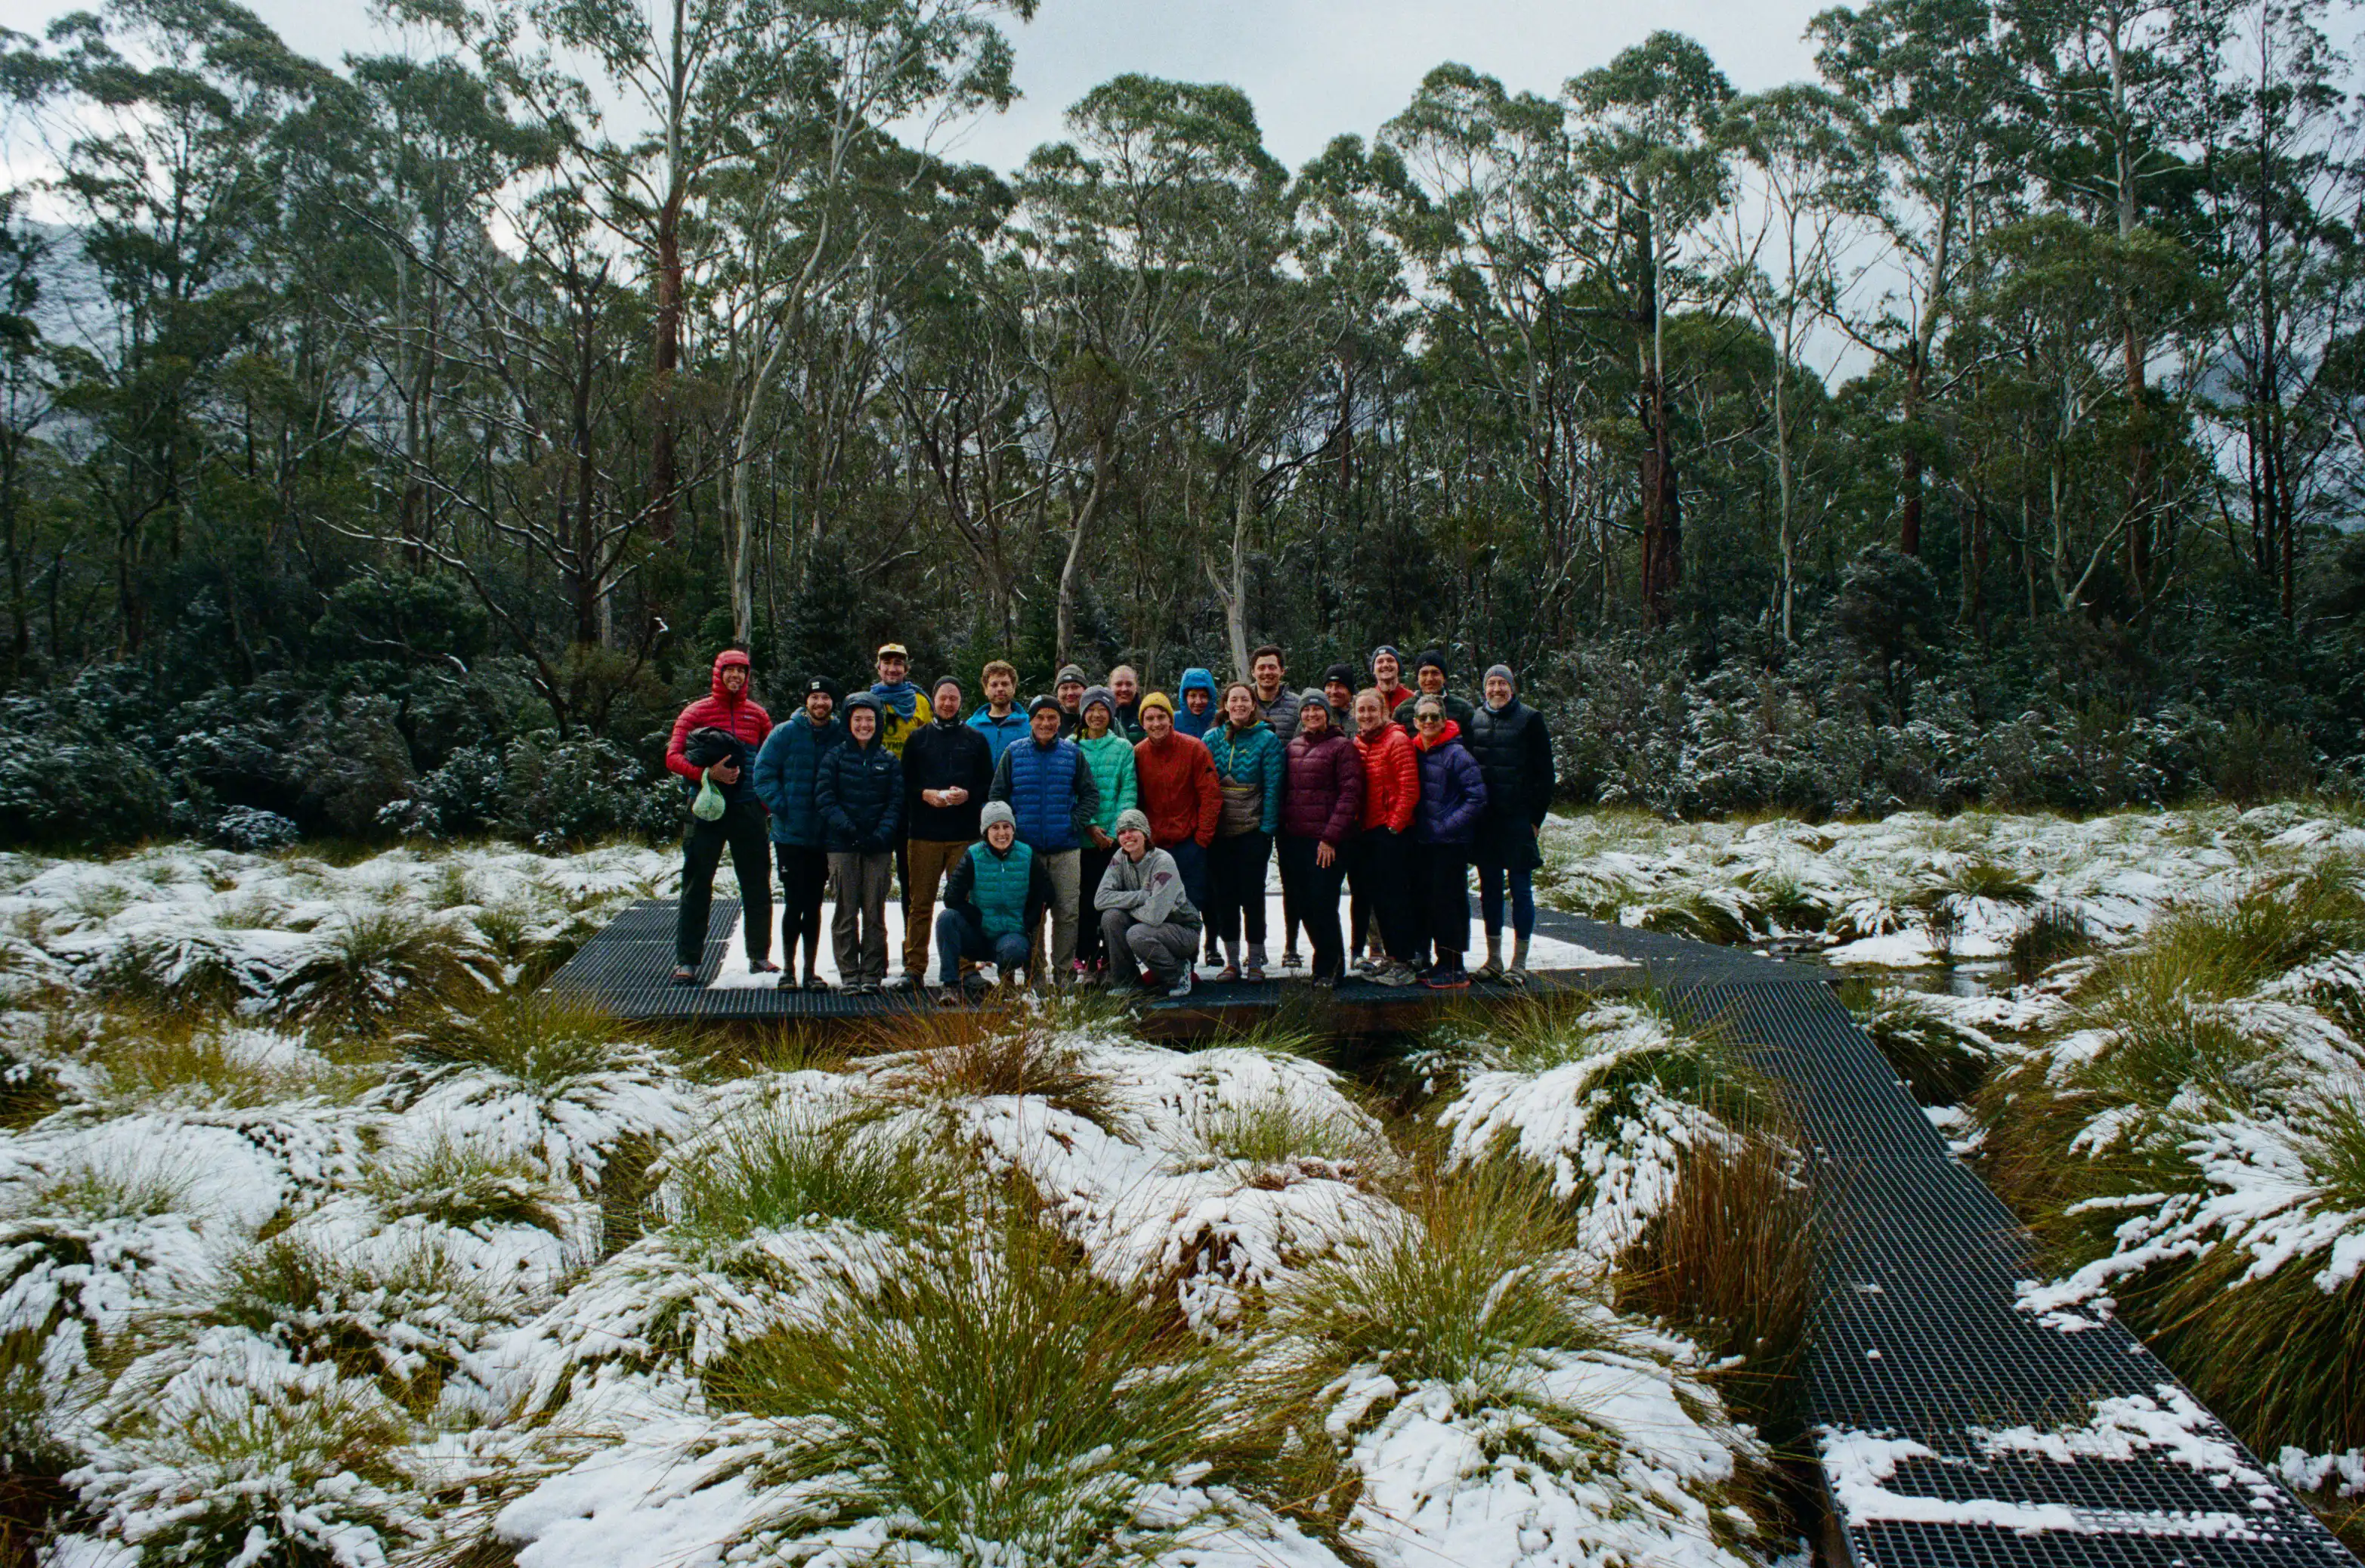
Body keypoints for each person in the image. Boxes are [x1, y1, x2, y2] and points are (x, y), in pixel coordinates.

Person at [665, 649, 775, 985]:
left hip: (748, 810)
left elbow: (772, 759)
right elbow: (672, 757)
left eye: (742, 672)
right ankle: (688, 961)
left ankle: (759, 956)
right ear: (719, 673)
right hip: (706, 809)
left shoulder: (757, 716)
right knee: (697, 884)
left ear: (747, 676)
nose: (736, 677)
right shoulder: (695, 712)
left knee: (757, 884)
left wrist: (765, 802)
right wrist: (705, 774)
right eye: (730, 671)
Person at [988, 694, 1101, 984]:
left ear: (1059, 721)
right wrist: (1010, 834)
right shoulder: (1014, 753)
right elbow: (997, 796)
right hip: (1026, 851)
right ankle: (1035, 974)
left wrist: (1073, 823)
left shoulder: (1072, 754)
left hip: (1065, 848)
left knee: (1067, 913)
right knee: (1032, 915)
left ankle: (1064, 974)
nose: (1046, 723)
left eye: (1052, 717)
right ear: (1031, 720)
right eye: (1040, 717)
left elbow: (1090, 794)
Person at [751, 676, 845, 989]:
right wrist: (782, 806)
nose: (820, 703)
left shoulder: (840, 735)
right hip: (790, 835)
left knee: (814, 904)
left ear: (833, 702)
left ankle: (810, 970)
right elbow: (763, 773)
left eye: (826, 698)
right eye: (815, 697)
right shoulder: (785, 734)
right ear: (806, 701)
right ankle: (788, 971)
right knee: (794, 903)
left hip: (823, 836)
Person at [900, 674, 994, 988]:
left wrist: (967, 795)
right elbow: (905, 785)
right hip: (924, 834)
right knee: (920, 903)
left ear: (960, 701)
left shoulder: (975, 739)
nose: (948, 703)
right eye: (943, 697)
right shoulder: (918, 739)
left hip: (964, 834)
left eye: (953, 698)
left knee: (963, 902)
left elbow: (987, 784)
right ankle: (914, 968)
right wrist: (924, 794)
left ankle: (967, 968)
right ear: (934, 700)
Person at [1467, 663, 1557, 984]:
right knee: (1489, 892)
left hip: (1518, 820)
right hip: (1486, 822)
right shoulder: (1475, 720)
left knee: (1521, 890)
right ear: (1484, 689)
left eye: (1502, 683)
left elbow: (1546, 775)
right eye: (1491, 683)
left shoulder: (1531, 719)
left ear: (1513, 688)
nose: (1496, 689)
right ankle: (1494, 960)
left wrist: (1536, 819)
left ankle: (1519, 963)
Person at [815, 694, 904, 994]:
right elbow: (825, 798)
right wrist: (849, 829)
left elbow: (896, 801)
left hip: (878, 846)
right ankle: (849, 973)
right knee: (845, 909)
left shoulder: (888, 760)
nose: (864, 725)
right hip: (842, 844)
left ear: (878, 723)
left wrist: (882, 833)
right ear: (849, 722)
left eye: (870, 719)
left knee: (874, 911)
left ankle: (872, 973)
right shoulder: (835, 757)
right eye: (858, 719)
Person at [1278, 690, 1364, 985]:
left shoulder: (1342, 747)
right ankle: (1321, 965)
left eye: (1318, 710)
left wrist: (1330, 838)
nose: (1312, 714)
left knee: (1323, 904)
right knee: (1302, 904)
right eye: (1306, 710)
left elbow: (1350, 795)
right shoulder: (1293, 747)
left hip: (1326, 843)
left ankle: (1333, 967)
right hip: (1294, 841)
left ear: (1327, 714)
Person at [934, 801, 1055, 1004]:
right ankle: (950, 986)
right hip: (978, 934)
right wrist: (976, 916)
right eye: (995, 827)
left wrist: (1027, 921)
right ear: (985, 830)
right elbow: (951, 897)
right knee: (947, 919)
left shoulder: (1026, 854)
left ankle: (1007, 985)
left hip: (1011, 934)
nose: (1002, 833)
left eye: (1006, 827)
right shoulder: (974, 854)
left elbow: (1047, 893)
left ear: (1013, 829)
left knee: (1014, 950)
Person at [1205, 681, 1284, 980]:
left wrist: (1267, 831)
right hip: (1219, 832)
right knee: (1224, 896)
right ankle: (1232, 961)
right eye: (1233, 700)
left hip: (1253, 830)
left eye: (1244, 700)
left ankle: (1255, 961)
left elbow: (1274, 788)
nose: (1239, 705)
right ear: (1225, 705)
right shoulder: (1211, 738)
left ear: (1254, 706)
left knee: (1252, 897)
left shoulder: (1267, 741)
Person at [1408, 694, 1486, 988]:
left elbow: (1477, 797)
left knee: (1450, 903)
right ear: (1415, 722)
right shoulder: (1417, 751)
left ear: (1444, 721)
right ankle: (1440, 961)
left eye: (1434, 717)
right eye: (1423, 717)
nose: (1429, 722)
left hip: (1450, 842)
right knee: (1430, 901)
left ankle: (1455, 965)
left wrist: (1446, 826)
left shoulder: (1457, 754)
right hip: (1424, 842)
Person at [1350, 688, 1423, 987]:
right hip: (1367, 831)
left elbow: (1409, 789)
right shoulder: (1358, 743)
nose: (1366, 715)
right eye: (1361, 710)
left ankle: (1404, 960)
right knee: (1379, 900)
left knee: (1396, 899)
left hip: (1392, 832)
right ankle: (1391, 958)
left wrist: (1394, 826)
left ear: (1384, 711)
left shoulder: (1397, 740)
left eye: (1372, 709)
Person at [1096, 808, 1203, 998]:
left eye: (1133, 829)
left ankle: (1178, 972)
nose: (1127, 835)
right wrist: (1142, 896)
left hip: (1182, 931)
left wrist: (1125, 903)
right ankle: (1127, 982)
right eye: (1121, 832)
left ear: (1145, 834)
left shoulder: (1163, 861)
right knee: (1111, 917)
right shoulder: (1119, 858)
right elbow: (1101, 899)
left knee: (1136, 933)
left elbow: (1155, 915)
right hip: (1146, 924)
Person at [1132, 691, 1220, 923]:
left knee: (1191, 901)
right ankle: (1160, 956)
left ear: (1171, 719)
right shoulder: (1139, 753)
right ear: (1143, 723)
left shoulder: (1194, 749)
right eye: (1149, 719)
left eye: (1161, 717)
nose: (1156, 723)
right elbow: (1136, 798)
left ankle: (1188, 955)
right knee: (1158, 903)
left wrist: (1203, 837)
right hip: (1156, 845)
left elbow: (1210, 794)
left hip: (1190, 841)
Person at [1073, 685, 1139, 982]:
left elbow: (1128, 790)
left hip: (1113, 840)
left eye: (1103, 709)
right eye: (1091, 709)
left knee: (1112, 901)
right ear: (1082, 713)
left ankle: (1109, 958)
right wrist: (1090, 825)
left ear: (1111, 713)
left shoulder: (1123, 748)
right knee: (1084, 900)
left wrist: (1114, 831)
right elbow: (1070, 792)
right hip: (1082, 837)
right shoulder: (1071, 747)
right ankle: (1084, 957)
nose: (1096, 715)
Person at [868, 643, 933, 758]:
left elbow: (930, 742)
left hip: (909, 772)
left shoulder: (921, 701)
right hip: (876, 772)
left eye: (898, 663)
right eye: (887, 663)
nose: (892, 669)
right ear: (879, 668)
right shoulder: (868, 701)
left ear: (906, 670)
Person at [1393, 649, 1477, 736]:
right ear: (1417, 678)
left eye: (1435, 673)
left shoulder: (1463, 709)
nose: (1429, 679)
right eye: (1424, 673)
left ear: (1444, 677)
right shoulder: (1402, 711)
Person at [967, 659, 1029, 766]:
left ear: (1014, 688)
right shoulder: (971, 727)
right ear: (986, 690)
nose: (1000, 689)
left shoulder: (1029, 725)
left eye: (1005, 684)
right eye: (994, 685)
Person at [1249, 645, 1299, 746]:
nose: (1267, 672)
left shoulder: (1298, 705)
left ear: (1282, 671)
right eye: (1261, 668)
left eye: (1272, 667)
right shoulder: (1242, 703)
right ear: (1253, 672)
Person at [1370, 645, 1414, 725]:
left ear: (1398, 667)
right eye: (1380, 661)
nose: (1385, 665)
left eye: (1390, 660)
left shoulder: (1412, 699)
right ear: (1373, 670)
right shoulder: (1367, 700)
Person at [1175, 666, 1219, 740]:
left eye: (1203, 696)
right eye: (1193, 696)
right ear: (1185, 698)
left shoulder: (1221, 720)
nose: (1198, 702)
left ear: (1211, 698)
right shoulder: (1173, 721)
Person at [1108, 665, 1146, 742]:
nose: (1124, 689)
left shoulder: (1146, 714)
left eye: (1129, 684)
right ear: (1110, 687)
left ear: (1136, 687)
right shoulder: (1101, 715)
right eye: (1119, 684)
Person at [1053, 663, 1088, 738]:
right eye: (1064, 688)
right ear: (1057, 693)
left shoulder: (1096, 720)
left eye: (1075, 687)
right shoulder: (1049, 724)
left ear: (1085, 690)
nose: (1070, 693)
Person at [1322, 664, 1357, 728]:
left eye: (1340, 686)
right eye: (1329, 686)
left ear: (1350, 691)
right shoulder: (1316, 718)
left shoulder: (1362, 717)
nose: (1333, 692)